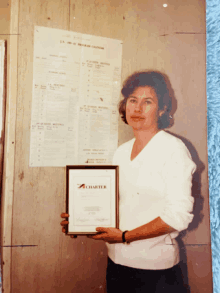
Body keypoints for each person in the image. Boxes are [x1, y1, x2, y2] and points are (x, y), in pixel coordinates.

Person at [61, 71, 196, 293]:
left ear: (162, 109)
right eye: (132, 100)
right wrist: (80, 220)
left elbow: (178, 217)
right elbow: (116, 208)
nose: (137, 108)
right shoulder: (121, 152)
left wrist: (125, 237)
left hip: (157, 271)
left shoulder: (173, 150)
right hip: (117, 263)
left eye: (147, 102)